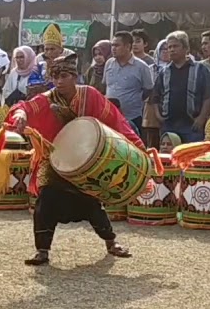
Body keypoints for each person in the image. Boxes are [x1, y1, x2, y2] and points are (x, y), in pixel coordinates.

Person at [9, 53, 140, 265]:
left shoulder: (90, 95)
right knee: (45, 201)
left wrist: (138, 148)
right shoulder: (47, 99)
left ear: (75, 76)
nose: (59, 81)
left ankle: (111, 242)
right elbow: (24, 107)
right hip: (54, 162)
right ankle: (42, 250)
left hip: (86, 163)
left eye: (64, 76)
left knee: (91, 204)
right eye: (55, 77)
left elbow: (116, 121)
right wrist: (21, 116)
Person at [147, 31, 210, 143]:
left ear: (186, 48)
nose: (172, 49)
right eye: (169, 47)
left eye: (175, 46)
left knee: (192, 156)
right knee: (170, 157)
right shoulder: (164, 72)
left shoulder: (200, 69)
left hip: (192, 125)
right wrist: (158, 116)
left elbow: (208, 96)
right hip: (169, 125)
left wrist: (201, 118)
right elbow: (155, 96)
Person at [103, 31, 154, 140]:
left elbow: (149, 89)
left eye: (117, 45)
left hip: (133, 117)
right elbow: (105, 86)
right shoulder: (109, 63)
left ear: (127, 46)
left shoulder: (141, 67)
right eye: (112, 45)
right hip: (111, 117)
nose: (113, 48)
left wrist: (134, 100)